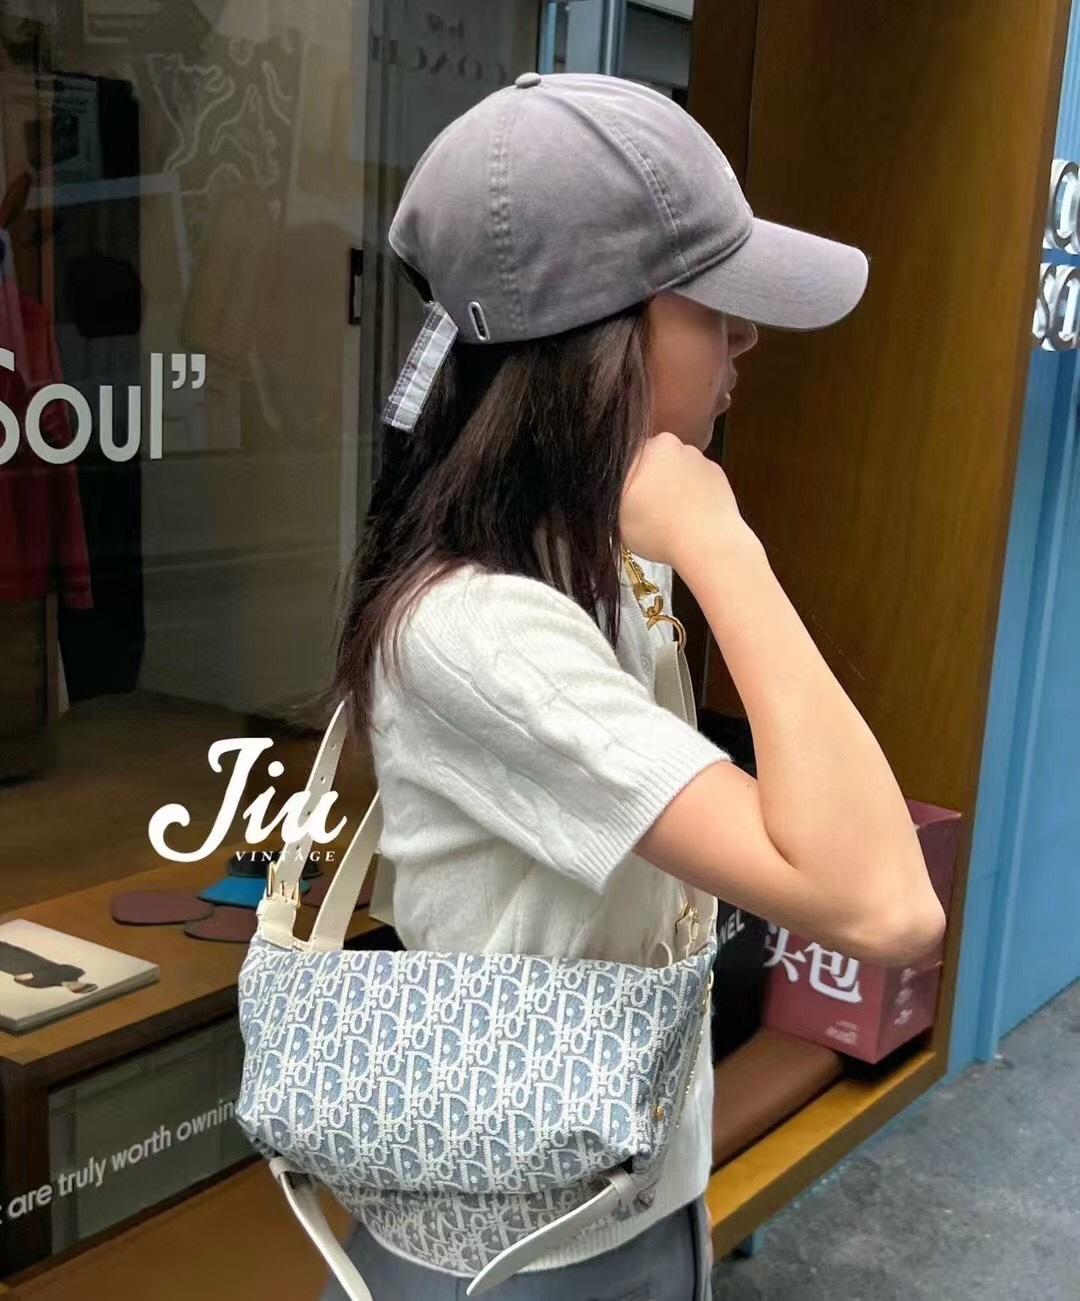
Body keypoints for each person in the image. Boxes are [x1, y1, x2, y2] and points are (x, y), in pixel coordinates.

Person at [328, 73, 945, 1300]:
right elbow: (885, 904)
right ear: (601, 340)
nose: (747, 339)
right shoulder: (481, 626)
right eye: (714, 303)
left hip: (630, 1185)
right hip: (519, 1255)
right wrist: (724, 546)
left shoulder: (592, 547)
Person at [0, 939, 98, 994]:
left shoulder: (47, 985)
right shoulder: (75, 972)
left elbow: (23, 981)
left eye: (76, 989)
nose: (75, 986)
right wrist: (34, 975)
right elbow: (60, 970)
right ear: (83, 983)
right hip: (20, 957)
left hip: (7, 966)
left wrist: (20, 979)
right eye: (80, 986)